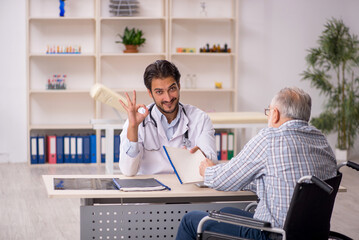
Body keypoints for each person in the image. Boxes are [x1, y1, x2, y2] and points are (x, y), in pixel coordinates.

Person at [176, 87, 337, 240]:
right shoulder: (322, 141)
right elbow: (283, 181)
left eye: (268, 112)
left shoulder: (270, 138)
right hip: (309, 234)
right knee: (226, 212)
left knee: (190, 220)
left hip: (271, 234)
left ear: (274, 113)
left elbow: (222, 180)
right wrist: (243, 177)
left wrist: (207, 170)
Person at [119, 60, 217, 176]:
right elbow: (128, 171)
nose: (168, 98)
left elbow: (211, 166)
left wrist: (202, 157)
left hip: (187, 188)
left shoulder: (200, 119)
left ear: (179, 85)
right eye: (159, 92)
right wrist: (133, 128)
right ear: (150, 93)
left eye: (172, 89)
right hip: (150, 189)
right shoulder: (136, 121)